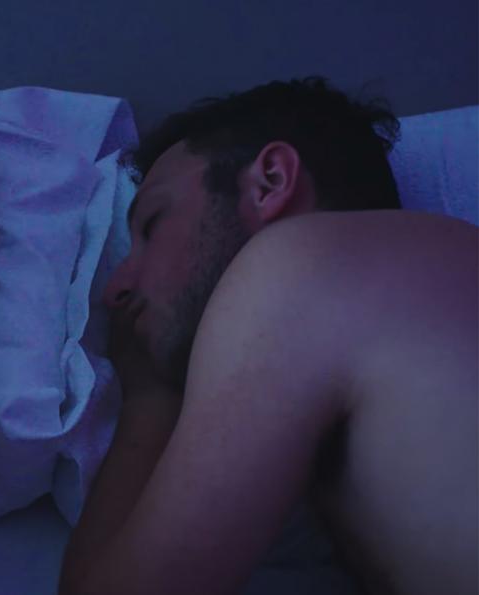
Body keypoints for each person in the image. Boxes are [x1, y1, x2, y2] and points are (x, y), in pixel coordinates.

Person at [59, 77, 477, 595]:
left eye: (153, 224)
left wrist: (150, 396)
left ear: (270, 182)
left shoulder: (300, 263)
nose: (116, 288)